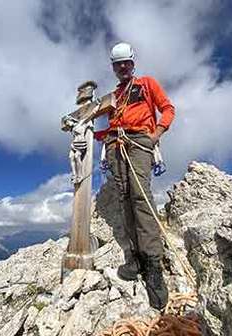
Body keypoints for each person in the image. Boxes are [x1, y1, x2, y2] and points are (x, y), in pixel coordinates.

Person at [95, 42, 175, 310]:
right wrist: (87, 133)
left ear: (133, 63)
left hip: (140, 140)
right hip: (115, 145)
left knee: (140, 197)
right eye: (118, 64)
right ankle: (135, 258)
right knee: (124, 199)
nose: (123, 67)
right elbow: (104, 123)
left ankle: (153, 265)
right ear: (113, 68)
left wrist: (156, 135)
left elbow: (168, 108)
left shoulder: (147, 84)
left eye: (126, 63)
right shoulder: (113, 96)